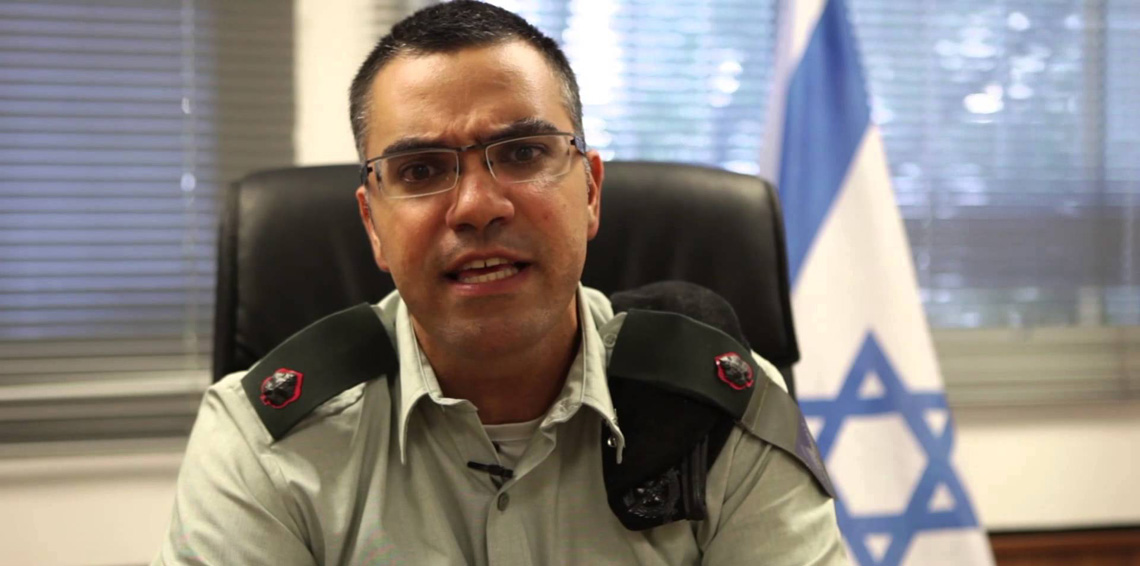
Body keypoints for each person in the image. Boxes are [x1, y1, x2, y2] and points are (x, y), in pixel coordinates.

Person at [153, 2, 848, 565]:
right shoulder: (262, 442)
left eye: (522, 153)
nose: (478, 206)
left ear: (590, 192)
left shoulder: (724, 412)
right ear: (372, 224)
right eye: (421, 170)